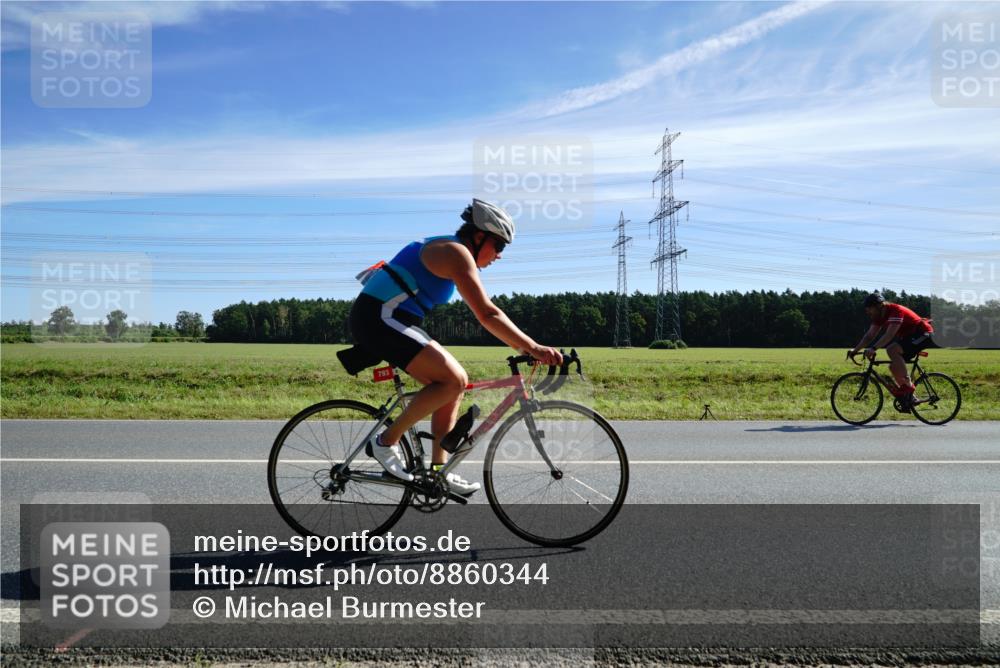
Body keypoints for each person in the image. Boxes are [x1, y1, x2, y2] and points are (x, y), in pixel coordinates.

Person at [348, 199, 563, 494]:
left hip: (392, 318)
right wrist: (533, 347)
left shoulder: (452, 249)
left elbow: (487, 314)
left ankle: (439, 472)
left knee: (452, 387)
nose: (499, 255)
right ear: (479, 237)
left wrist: (524, 347)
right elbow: (487, 314)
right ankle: (385, 442)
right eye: (499, 246)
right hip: (379, 317)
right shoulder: (455, 252)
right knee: (454, 379)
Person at [849, 292, 935, 410]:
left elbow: (890, 334)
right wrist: (855, 350)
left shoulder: (895, 310)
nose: (867, 311)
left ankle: (908, 386)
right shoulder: (879, 317)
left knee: (892, 349)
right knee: (894, 367)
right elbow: (869, 336)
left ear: (879, 306)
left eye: (869, 308)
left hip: (923, 333)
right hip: (909, 336)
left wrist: (873, 348)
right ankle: (910, 398)